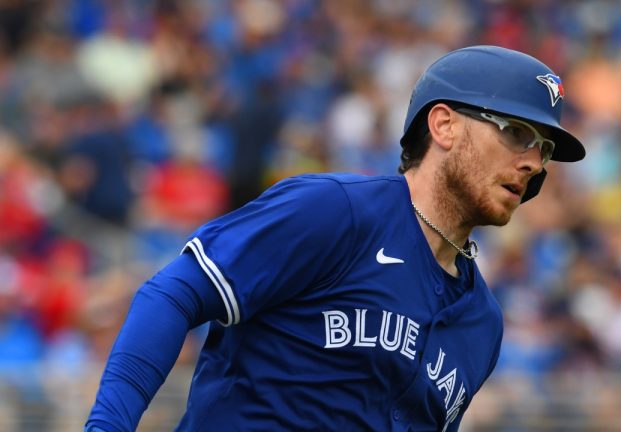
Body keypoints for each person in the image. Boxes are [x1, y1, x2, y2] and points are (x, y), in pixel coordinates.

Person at [84, 45, 585, 432]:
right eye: (517, 132)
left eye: (542, 148)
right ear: (444, 125)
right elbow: (173, 294)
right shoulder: (334, 212)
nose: (534, 161)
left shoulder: (483, 323)